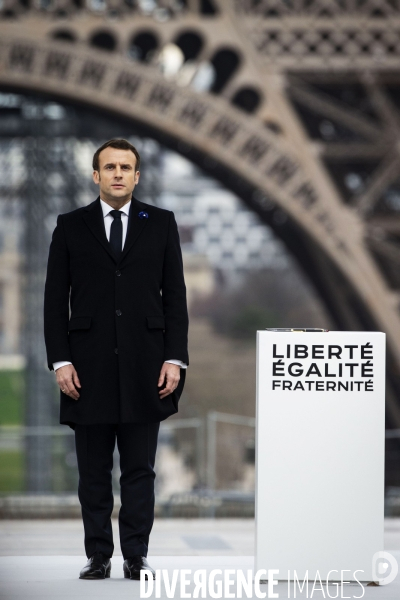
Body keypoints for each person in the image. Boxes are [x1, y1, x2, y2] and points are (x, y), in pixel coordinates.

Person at [43, 138, 189, 580]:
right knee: (93, 472)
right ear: (96, 175)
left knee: (140, 470)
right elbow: (54, 301)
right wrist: (60, 361)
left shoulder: (162, 224)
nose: (119, 174)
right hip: (87, 367)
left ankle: (136, 556)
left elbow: (175, 299)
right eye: (110, 167)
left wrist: (175, 358)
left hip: (147, 365)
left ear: (137, 175)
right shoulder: (70, 226)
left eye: (126, 167)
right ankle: (98, 555)